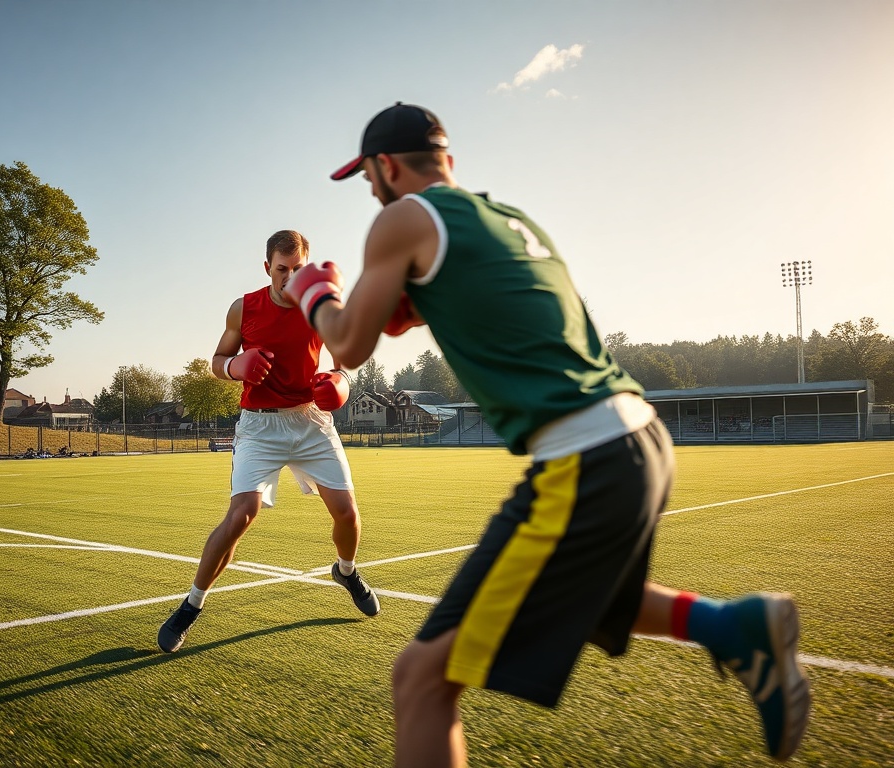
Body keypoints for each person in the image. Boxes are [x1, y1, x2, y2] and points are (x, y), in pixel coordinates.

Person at [283, 103, 810, 765]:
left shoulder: (403, 218)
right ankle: (732, 626)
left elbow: (348, 344)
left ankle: (737, 627)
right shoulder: (512, 221)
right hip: (637, 436)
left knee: (421, 678)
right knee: (591, 600)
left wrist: (315, 292)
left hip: (586, 457)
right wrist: (420, 306)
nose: (369, 193)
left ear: (386, 166)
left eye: (367, 178)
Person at [157, 229, 380, 654]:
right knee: (242, 515)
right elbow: (216, 361)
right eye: (282, 269)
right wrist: (235, 366)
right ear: (267, 268)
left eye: (298, 269)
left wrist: (340, 384)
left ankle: (346, 571)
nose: (290, 277)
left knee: (347, 513)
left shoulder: (321, 307)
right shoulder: (244, 308)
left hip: (311, 422)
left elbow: (343, 364)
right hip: (259, 427)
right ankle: (191, 605)